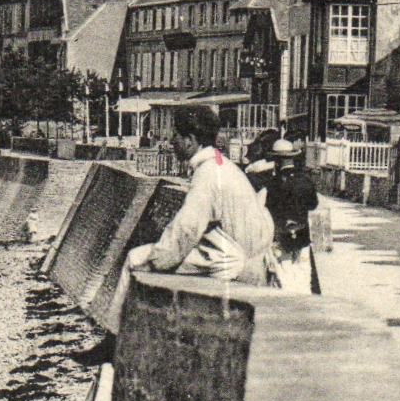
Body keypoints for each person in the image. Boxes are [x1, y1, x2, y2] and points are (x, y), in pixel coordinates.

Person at [109, 106, 277, 327]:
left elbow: (187, 228)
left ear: (190, 140)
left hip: (229, 263)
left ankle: (112, 337)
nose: (171, 143)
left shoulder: (207, 175)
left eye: (176, 137)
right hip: (251, 258)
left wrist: (159, 260)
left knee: (135, 259)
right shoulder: (224, 166)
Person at [264, 139, 321, 295]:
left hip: (282, 236)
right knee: (303, 274)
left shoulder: (274, 184)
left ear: (277, 161)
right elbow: (313, 205)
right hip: (302, 235)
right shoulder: (306, 181)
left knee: (285, 276)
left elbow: (269, 210)